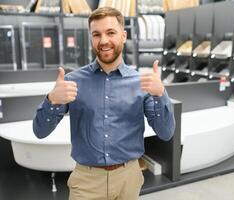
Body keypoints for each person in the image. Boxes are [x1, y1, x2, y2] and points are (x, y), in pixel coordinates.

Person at [32, 7, 175, 200]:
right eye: (97, 34)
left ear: (124, 36)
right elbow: (40, 132)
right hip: (86, 181)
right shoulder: (73, 81)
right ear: (91, 38)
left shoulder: (141, 83)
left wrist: (160, 95)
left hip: (128, 178)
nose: (104, 41)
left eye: (111, 33)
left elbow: (166, 133)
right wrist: (52, 100)